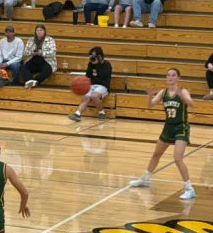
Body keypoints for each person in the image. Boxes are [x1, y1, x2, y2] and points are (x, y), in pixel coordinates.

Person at [129, 69, 196, 200]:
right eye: (168, 75)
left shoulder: (182, 91)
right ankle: (145, 179)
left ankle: (189, 188)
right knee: (156, 154)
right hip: (168, 127)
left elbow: (191, 103)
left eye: (173, 75)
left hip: (181, 127)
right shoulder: (163, 92)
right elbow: (150, 105)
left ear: (178, 78)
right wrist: (149, 96)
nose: (170, 77)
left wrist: (185, 99)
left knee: (177, 158)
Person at [69, 47, 113, 122]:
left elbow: (102, 76)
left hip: (103, 86)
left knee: (94, 96)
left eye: (94, 56)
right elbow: (88, 75)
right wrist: (91, 65)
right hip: (92, 85)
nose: (92, 58)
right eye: (91, 56)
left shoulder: (107, 64)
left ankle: (102, 113)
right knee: (86, 97)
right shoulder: (91, 64)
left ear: (100, 56)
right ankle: (77, 114)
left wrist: (97, 64)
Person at [21, 24, 56, 89]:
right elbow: (25, 52)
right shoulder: (31, 39)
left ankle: (33, 82)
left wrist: (42, 53)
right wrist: (32, 52)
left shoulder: (50, 39)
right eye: (37, 30)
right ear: (35, 32)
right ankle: (30, 81)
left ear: (44, 31)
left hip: (45, 61)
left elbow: (53, 52)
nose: (39, 32)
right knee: (23, 67)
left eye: (41, 30)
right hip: (33, 59)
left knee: (48, 70)